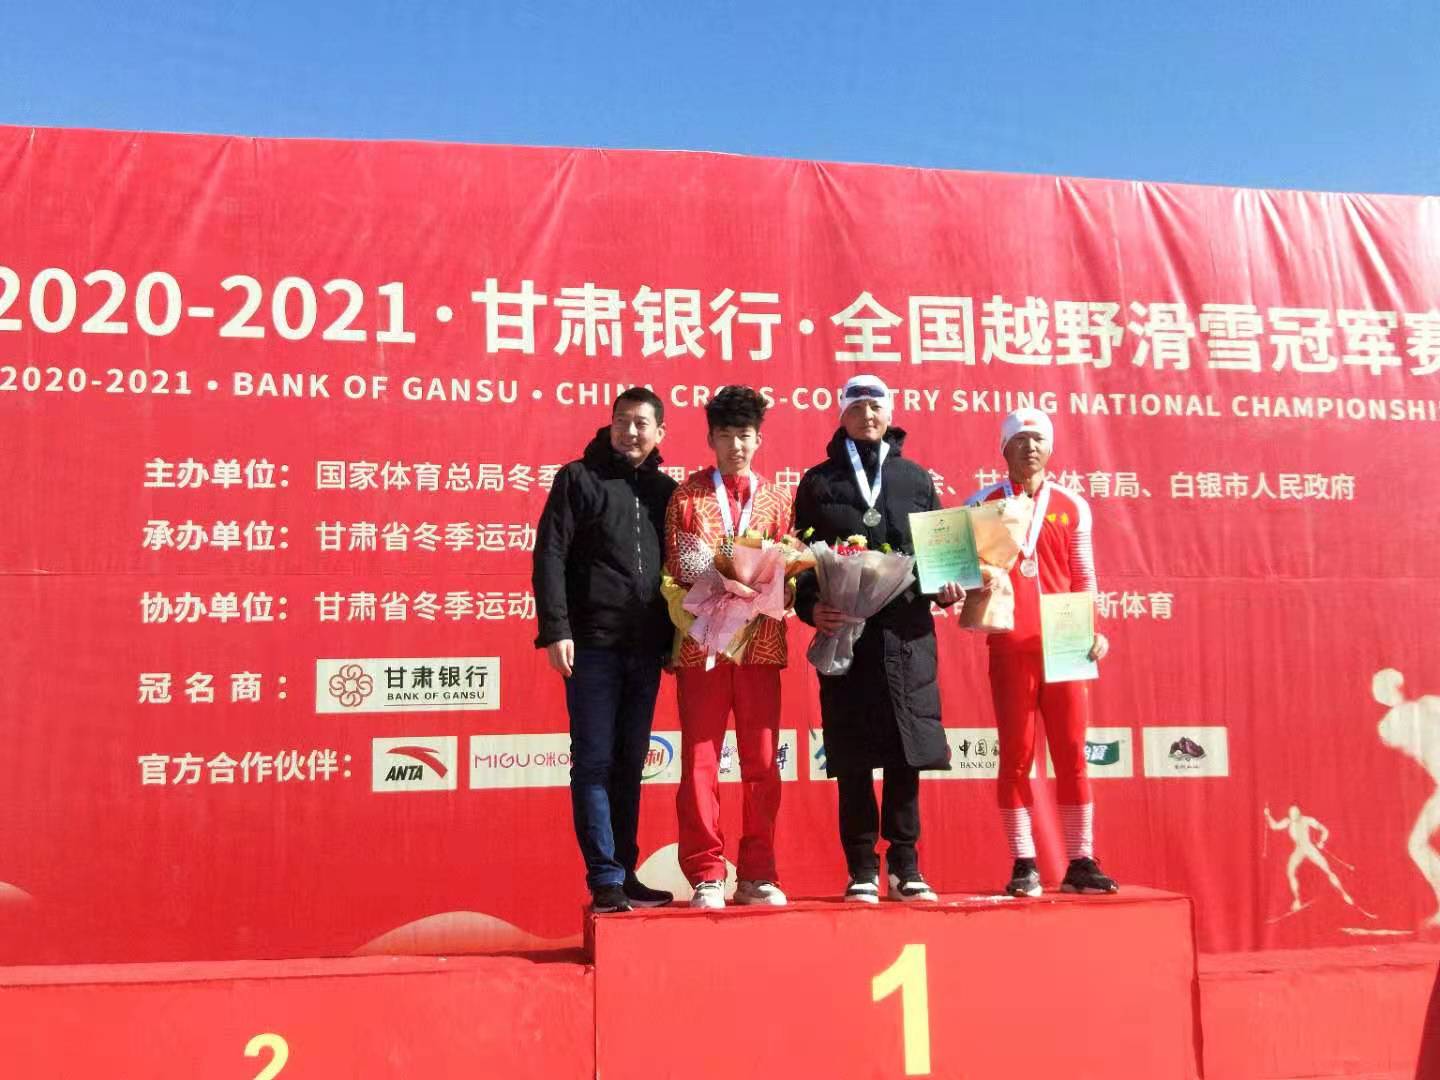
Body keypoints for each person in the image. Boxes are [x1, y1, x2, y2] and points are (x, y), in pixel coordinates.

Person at [793, 374, 963, 903]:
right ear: (841, 414)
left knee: (906, 753)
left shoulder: (916, 479)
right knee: (852, 756)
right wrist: (809, 607)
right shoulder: (818, 482)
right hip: (847, 637)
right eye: (857, 406)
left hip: (906, 636)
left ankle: (906, 865)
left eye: (876, 406)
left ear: (889, 414)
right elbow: (798, 558)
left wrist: (948, 587)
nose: (867, 415)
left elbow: (939, 553)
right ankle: (862, 867)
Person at [533, 387, 678, 914]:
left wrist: (675, 639)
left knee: (630, 763)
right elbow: (550, 554)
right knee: (593, 761)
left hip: (645, 649)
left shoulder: (666, 491)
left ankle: (626, 871)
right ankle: (604, 878)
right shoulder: (579, 478)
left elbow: (678, 571)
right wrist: (556, 629)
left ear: (659, 432)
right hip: (591, 645)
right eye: (622, 421)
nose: (630, 432)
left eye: (641, 423)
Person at [965, 409, 1117, 897]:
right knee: (1016, 754)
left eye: (1038, 439)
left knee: (1072, 753)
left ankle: (1081, 859)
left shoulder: (1072, 505)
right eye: (1020, 439)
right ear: (1003, 448)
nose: (1029, 447)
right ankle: (1024, 862)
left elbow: (1083, 576)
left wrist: (1095, 630)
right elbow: (960, 575)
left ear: (1050, 449)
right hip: (1011, 643)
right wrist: (953, 586)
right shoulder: (981, 504)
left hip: (1066, 642)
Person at [664, 386, 791, 909]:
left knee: (762, 762)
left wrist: (781, 583)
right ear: (710, 439)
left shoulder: (778, 498)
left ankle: (758, 873)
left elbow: (790, 569)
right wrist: (721, 577)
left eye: (744, 435)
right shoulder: (687, 496)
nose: (736, 445)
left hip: (760, 644)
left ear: (758, 439)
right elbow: (679, 565)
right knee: (700, 760)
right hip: (704, 646)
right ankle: (706, 873)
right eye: (725, 435)